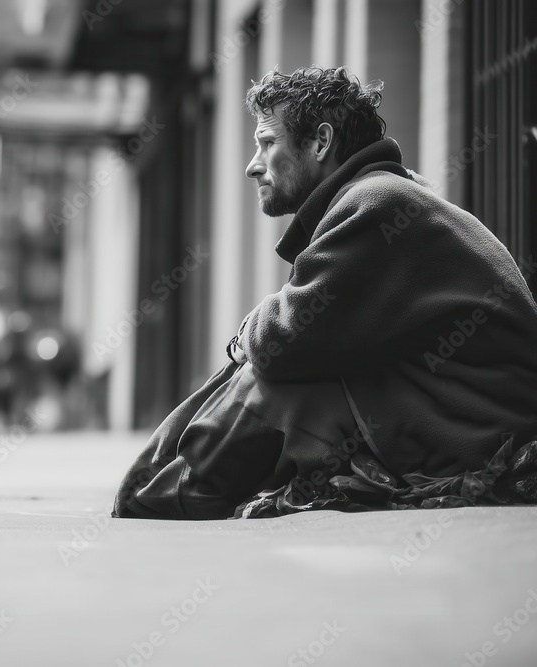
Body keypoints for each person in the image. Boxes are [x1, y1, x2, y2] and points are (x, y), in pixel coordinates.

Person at [114, 66, 537, 520]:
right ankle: (162, 485)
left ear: (320, 142)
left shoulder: (380, 203)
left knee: (272, 384)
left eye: (267, 143)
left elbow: (282, 339)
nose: (252, 164)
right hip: (447, 412)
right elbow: (300, 334)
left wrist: (246, 333)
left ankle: (159, 490)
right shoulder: (385, 194)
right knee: (279, 374)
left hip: (480, 433)